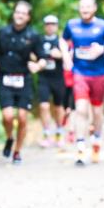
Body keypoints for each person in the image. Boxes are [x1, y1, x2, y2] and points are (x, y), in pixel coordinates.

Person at [62, 0, 104, 165]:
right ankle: (80, 148)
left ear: (94, 8)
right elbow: (63, 40)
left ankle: (96, 141)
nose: (85, 10)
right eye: (82, 7)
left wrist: (102, 49)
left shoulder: (103, 26)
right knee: (80, 110)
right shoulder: (72, 25)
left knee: (96, 112)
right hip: (80, 73)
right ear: (79, 8)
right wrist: (66, 56)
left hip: (99, 74)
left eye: (88, 7)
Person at [0, 1, 44, 164]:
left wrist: (37, 65)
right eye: (17, 12)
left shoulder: (33, 36)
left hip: (23, 80)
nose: (19, 15)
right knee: (7, 116)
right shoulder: (3, 32)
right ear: (13, 14)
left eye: (23, 13)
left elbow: (42, 58)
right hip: (5, 78)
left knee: (22, 118)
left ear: (28, 17)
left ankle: (17, 151)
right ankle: (9, 137)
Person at [36, 14, 71, 147]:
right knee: (43, 105)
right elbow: (32, 54)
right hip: (43, 78)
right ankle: (46, 134)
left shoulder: (61, 41)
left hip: (58, 78)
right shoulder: (39, 40)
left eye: (53, 24)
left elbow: (69, 59)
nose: (50, 27)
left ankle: (59, 132)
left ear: (56, 26)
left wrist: (61, 55)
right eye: (48, 24)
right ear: (45, 26)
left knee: (58, 107)